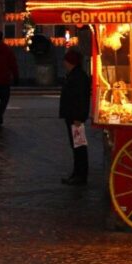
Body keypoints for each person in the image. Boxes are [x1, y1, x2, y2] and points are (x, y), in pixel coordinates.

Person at [59, 49, 91, 185]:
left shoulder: (78, 77)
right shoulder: (75, 75)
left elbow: (81, 99)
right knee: (76, 145)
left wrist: (79, 117)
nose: (64, 63)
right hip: (72, 115)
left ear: (70, 62)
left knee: (79, 146)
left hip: (75, 117)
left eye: (66, 61)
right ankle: (77, 173)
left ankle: (80, 175)